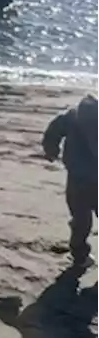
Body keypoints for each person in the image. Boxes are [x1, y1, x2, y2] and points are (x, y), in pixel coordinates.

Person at [43, 95, 99, 267]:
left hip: (77, 177)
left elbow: (54, 130)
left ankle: (80, 255)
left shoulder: (74, 114)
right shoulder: (74, 116)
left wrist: (51, 148)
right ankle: (80, 255)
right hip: (84, 178)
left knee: (80, 220)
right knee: (81, 220)